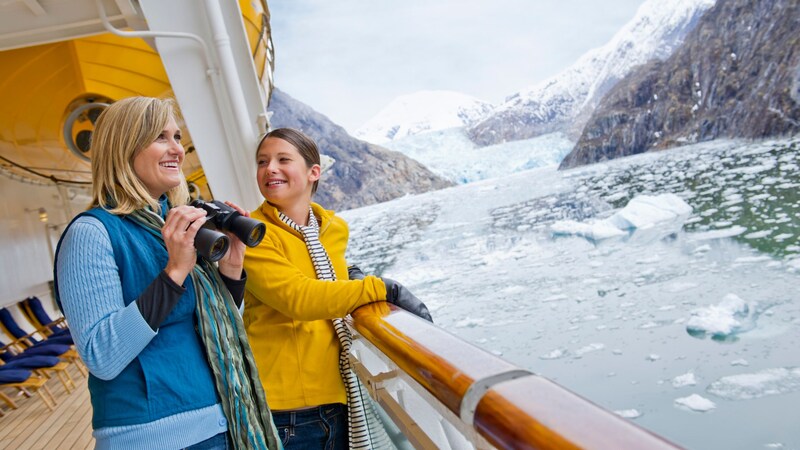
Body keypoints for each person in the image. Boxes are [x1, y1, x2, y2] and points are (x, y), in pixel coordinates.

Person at [54, 96, 280, 450]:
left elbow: (215, 321)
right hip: (156, 435)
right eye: (161, 137)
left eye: (177, 137)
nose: (177, 149)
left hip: (221, 420)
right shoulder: (91, 234)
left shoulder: (173, 221)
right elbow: (102, 356)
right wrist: (174, 272)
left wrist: (231, 269)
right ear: (124, 146)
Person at [241, 127, 432, 450]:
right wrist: (383, 288)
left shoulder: (332, 228)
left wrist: (353, 278)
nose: (269, 168)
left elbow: (332, 281)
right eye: (262, 161)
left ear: (313, 172)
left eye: (282, 159)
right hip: (287, 411)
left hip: (337, 395)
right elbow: (299, 297)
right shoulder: (254, 234)